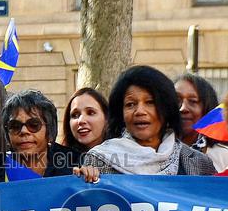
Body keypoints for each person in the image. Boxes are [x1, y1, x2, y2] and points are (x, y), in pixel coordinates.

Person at [79, 65, 217, 177]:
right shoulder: (99, 160)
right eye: (130, 104)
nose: (140, 111)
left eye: (150, 102)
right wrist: (86, 184)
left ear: (166, 108)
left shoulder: (200, 164)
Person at [1, 89, 80, 181]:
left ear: (49, 132)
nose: (23, 131)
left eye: (33, 125)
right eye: (15, 126)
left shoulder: (76, 164)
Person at [175, 73, 228, 172]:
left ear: (207, 108)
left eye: (193, 101)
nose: (183, 108)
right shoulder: (153, 152)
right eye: (177, 100)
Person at [60, 87, 108, 154]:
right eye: (75, 115)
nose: (81, 120)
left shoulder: (121, 155)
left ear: (106, 118)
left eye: (90, 113)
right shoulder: (57, 158)